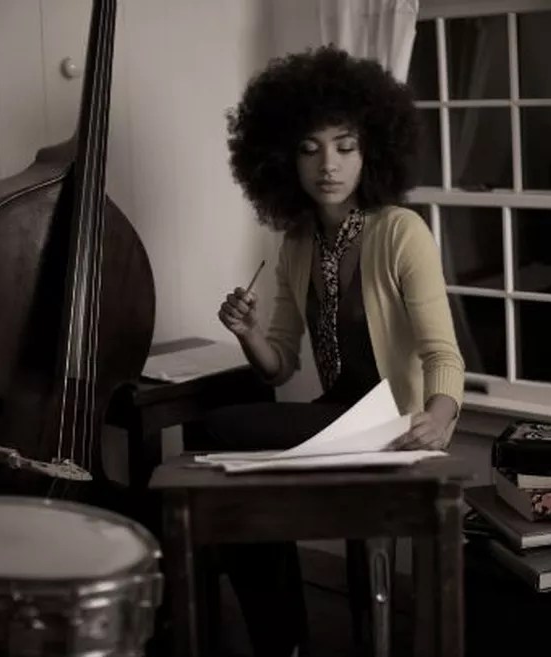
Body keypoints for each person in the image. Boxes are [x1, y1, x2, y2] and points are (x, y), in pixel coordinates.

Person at [207, 45, 465, 657]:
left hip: (393, 424)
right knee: (228, 472)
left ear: (370, 150)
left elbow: (444, 355)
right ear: (283, 159)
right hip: (338, 415)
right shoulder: (296, 244)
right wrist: (248, 332)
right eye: (310, 148)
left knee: (219, 431)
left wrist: (440, 416)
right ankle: (284, 642)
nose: (329, 165)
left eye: (345, 146)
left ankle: (280, 642)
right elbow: (281, 365)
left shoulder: (400, 232)